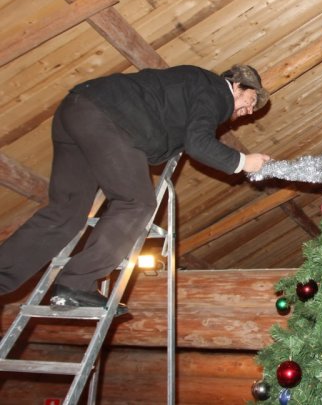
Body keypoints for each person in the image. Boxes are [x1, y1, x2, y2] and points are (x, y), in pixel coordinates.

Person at [0, 64, 272, 314]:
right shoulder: (216, 91)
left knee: (65, 213)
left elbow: (172, 134)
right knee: (136, 203)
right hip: (110, 118)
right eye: (251, 101)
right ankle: (76, 285)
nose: (249, 111)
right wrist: (243, 162)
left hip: (77, 110)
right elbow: (198, 143)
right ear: (237, 85)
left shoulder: (190, 86)